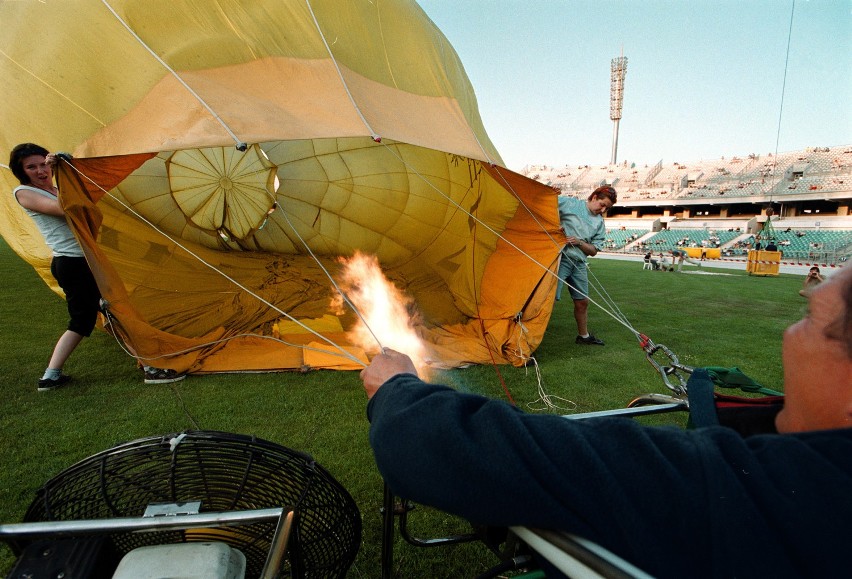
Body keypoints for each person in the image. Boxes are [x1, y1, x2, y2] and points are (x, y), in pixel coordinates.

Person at [360, 266, 852, 578]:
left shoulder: (784, 496)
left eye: (809, 317)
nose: (791, 332)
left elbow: (455, 449)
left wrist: (399, 389)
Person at [9, 143, 185, 391]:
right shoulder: (23, 193)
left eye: (42, 164)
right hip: (72, 264)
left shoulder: (56, 188)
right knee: (84, 320)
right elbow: (66, 208)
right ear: (22, 171)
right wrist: (65, 173)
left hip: (85, 261)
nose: (40, 171)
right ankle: (52, 377)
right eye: (31, 167)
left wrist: (68, 172)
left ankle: (145, 366)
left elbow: (81, 200)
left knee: (112, 312)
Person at [554, 186, 617, 346]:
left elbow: (594, 250)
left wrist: (579, 242)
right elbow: (545, 205)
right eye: (602, 204)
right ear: (594, 197)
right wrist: (551, 194)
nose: (602, 210)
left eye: (607, 208)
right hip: (560, 258)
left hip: (579, 263)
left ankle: (583, 337)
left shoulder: (599, 223)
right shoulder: (570, 204)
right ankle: (528, 337)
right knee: (549, 299)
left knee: (582, 302)